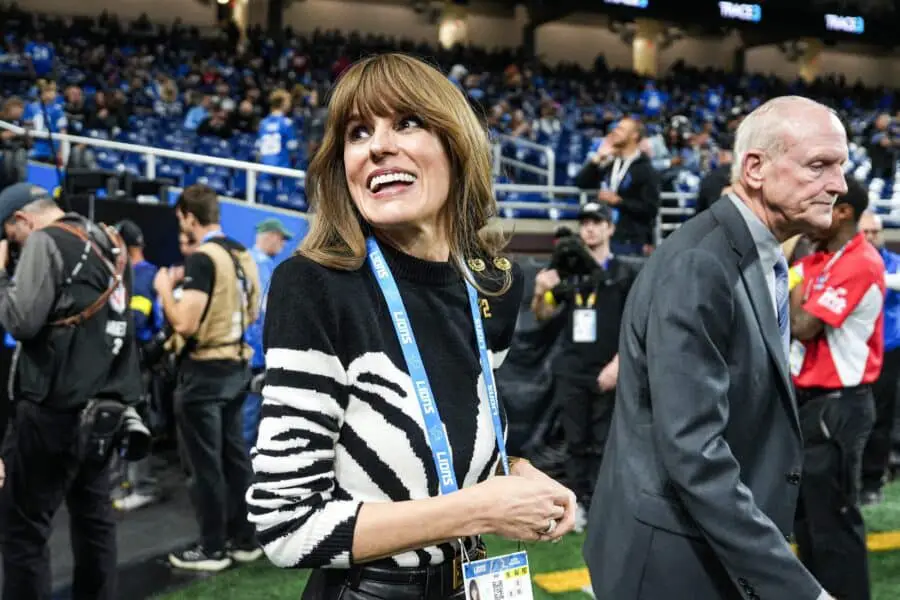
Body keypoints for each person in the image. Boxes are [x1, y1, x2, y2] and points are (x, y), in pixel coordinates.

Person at [248, 53, 576, 600]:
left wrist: (514, 469)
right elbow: (287, 526)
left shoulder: (494, 283)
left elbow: (446, 443)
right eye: (357, 132)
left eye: (406, 122)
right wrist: (476, 509)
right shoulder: (313, 284)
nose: (377, 146)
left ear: (456, 144)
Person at [583, 96, 847, 600]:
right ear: (754, 168)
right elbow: (694, 453)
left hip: (697, 547)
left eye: (840, 166)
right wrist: (800, 591)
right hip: (671, 563)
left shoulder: (746, 255)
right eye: (820, 165)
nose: (838, 184)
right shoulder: (701, 264)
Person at [0, 182, 143, 599]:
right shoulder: (110, 241)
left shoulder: (45, 241)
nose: (14, 245)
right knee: (94, 520)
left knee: (23, 527)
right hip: (104, 409)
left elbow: (20, 322)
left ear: (23, 218)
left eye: (11, 235)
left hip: (52, 409)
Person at [153, 184, 262, 571]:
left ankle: (212, 548)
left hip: (204, 371)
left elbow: (185, 322)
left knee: (204, 465)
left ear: (188, 216)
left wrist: (165, 291)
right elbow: (253, 312)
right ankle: (245, 539)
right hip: (236, 365)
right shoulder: (242, 252)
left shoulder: (203, 258)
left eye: (180, 218)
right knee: (235, 457)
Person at [789, 178, 883, 600]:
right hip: (812, 405)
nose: (809, 213)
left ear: (843, 212)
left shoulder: (859, 262)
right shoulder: (824, 258)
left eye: (820, 204)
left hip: (839, 407)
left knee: (834, 527)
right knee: (807, 525)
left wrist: (794, 284)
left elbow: (802, 326)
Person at [531, 201, 639, 531]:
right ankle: (579, 505)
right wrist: (540, 293)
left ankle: (605, 504)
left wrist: (620, 363)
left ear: (610, 228)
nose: (589, 228)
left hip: (610, 367)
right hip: (573, 368)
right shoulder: (568, 270)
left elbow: (637, 323)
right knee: (576, 442)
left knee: (607, 442)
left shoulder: (623, 272)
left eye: (596, 222)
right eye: (585, 223)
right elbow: (543, 314)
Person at [858, 210, 900, 505]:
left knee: (881, 417)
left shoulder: (893, 262)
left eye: (875, 231)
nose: (872, 237)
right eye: (866, 232)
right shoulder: (848, 260)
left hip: (887, 349)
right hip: (854, 350)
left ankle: (872, 480)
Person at [574, 116, 660, 256]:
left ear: (634, 135)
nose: (615, 132)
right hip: (603, 238)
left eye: (621, 129)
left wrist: (619, 202)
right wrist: (598, 157)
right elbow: (581, 183)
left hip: (630, 241)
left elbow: (650, 210)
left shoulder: (646, 170)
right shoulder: (609, 163)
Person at [243, 217, 293, 451]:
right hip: (254, 354)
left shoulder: (246, 260)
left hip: (242, 352)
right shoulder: (260, 265)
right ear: (271, 236)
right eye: (281, 239)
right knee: (248, 421)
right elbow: (264, 313)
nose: (283, 245)